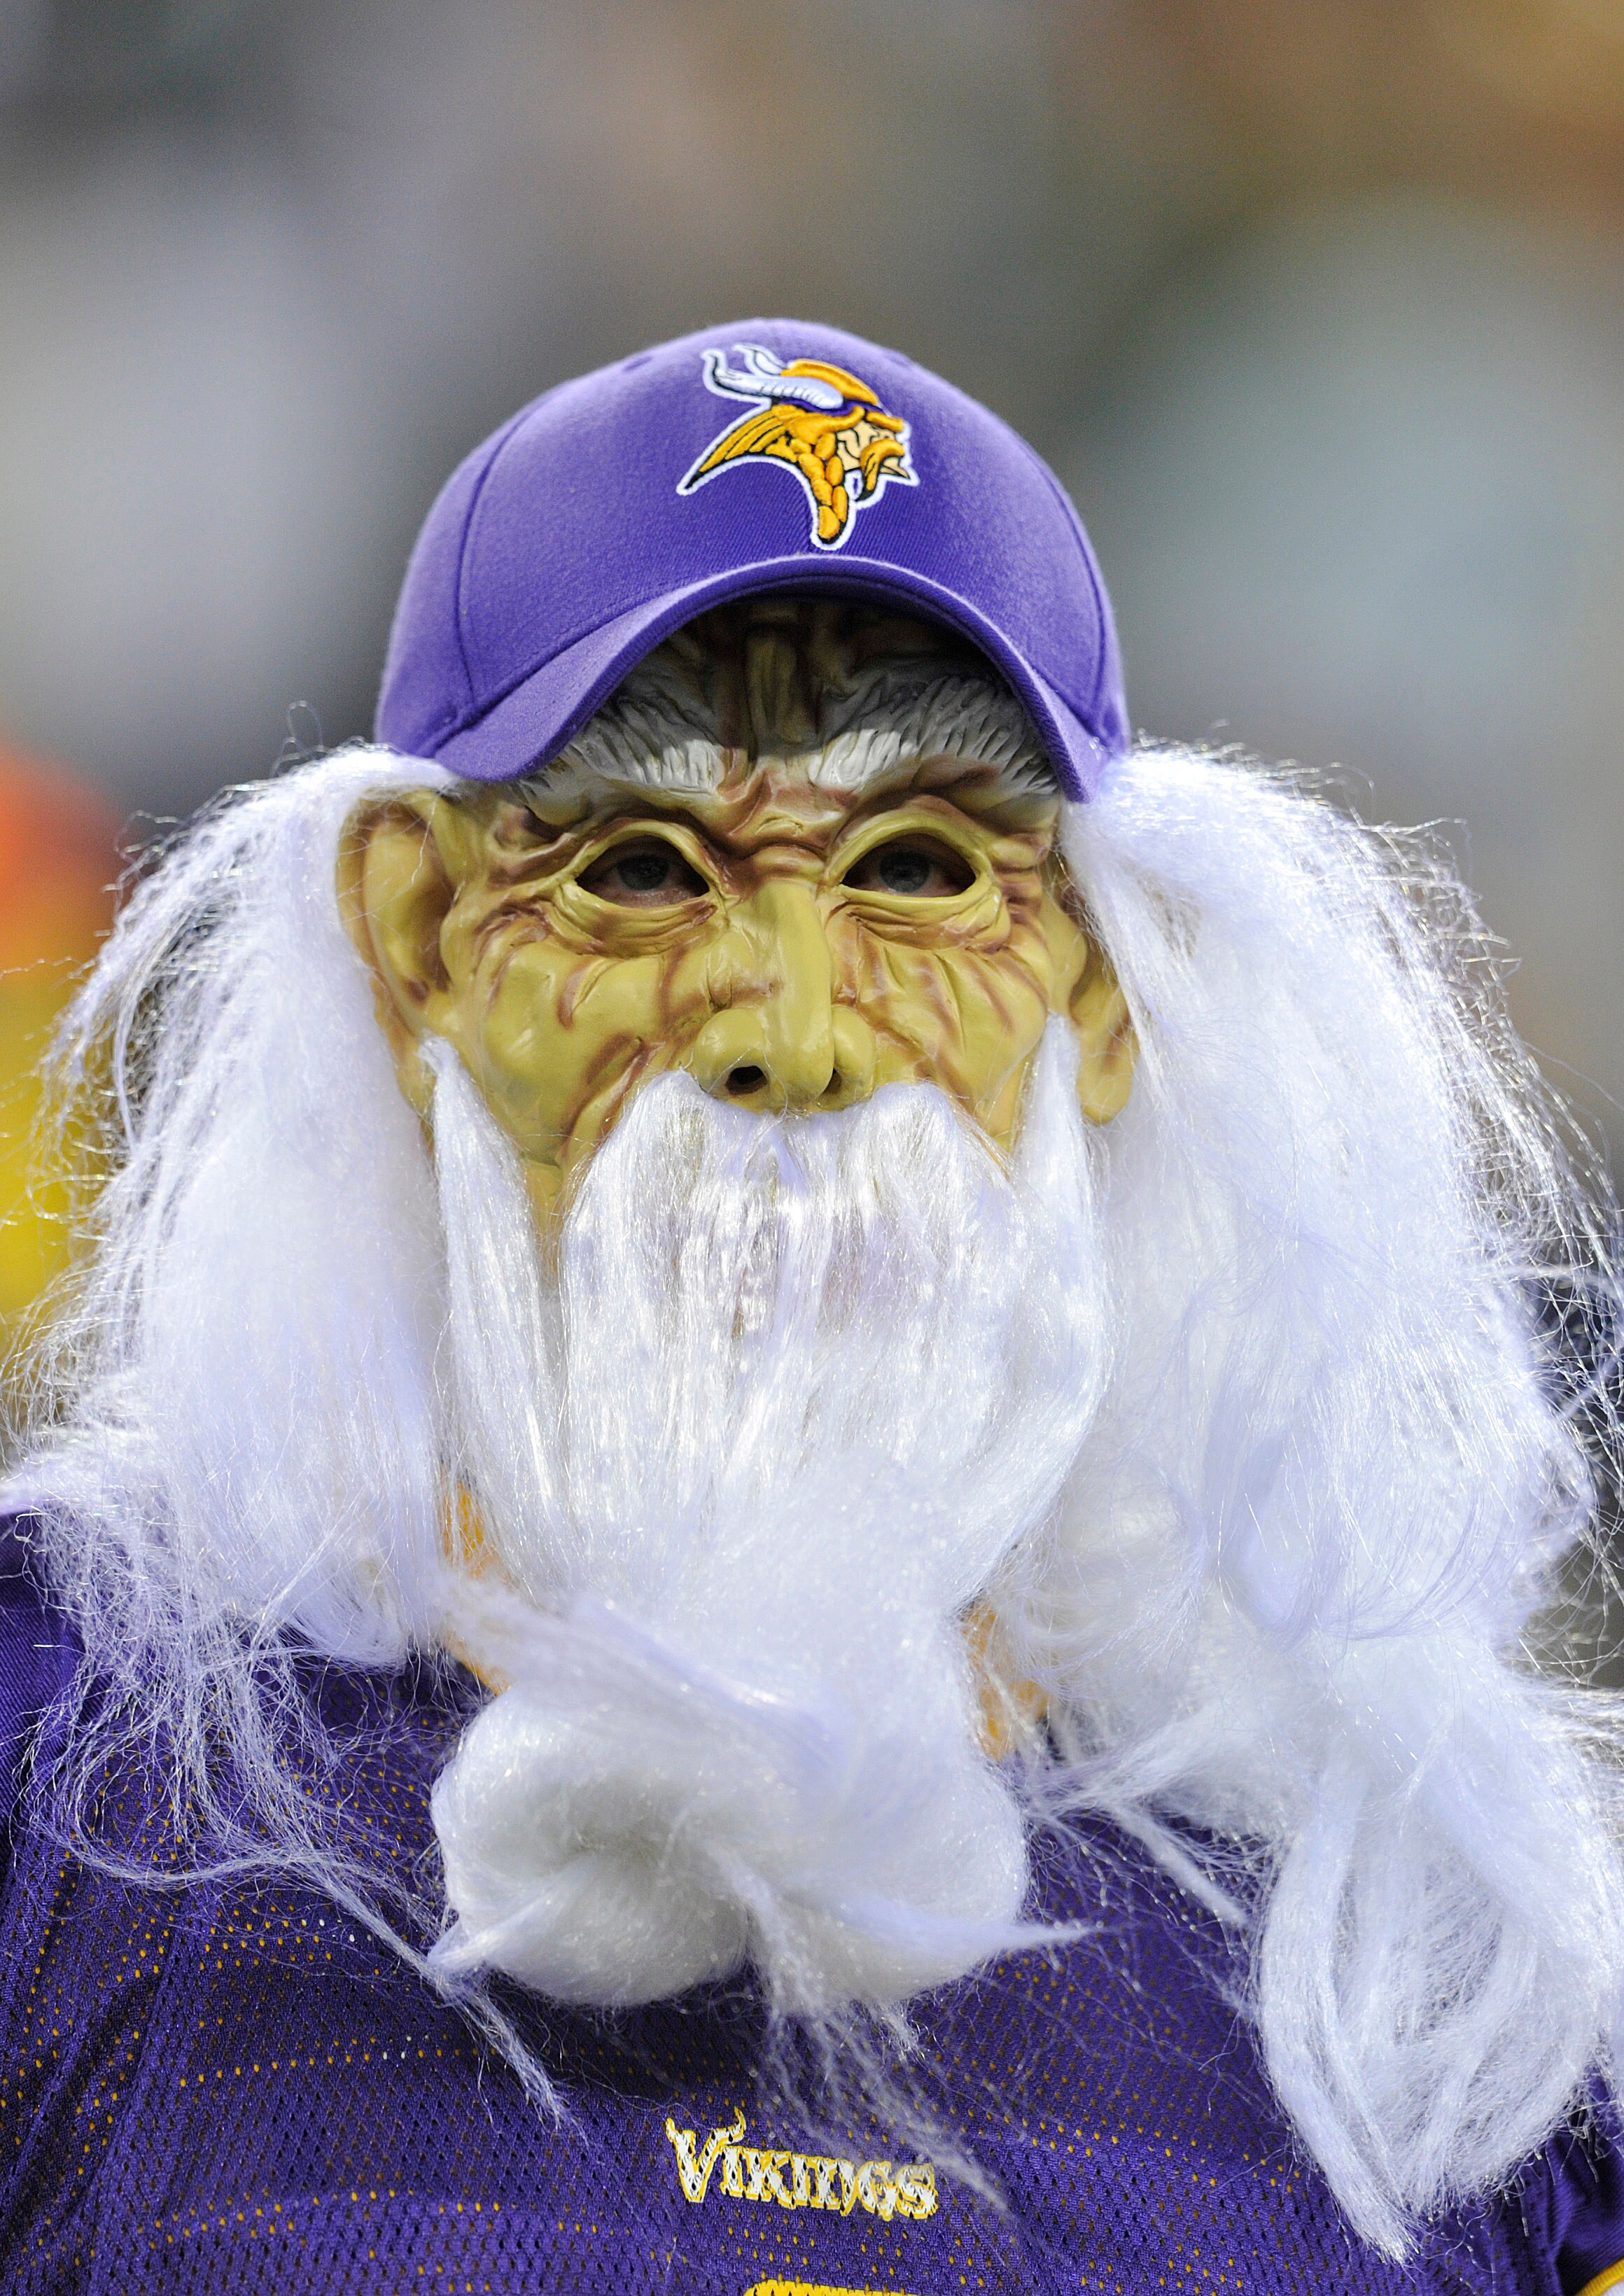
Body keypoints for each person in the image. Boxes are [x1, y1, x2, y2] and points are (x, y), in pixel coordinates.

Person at [2, 320, 1622, 2296]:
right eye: (641, 868)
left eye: (921, 869)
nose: (785, 1022)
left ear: (1102, 990)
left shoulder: (1438, 1991)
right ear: (417, 941)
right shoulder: (59, 1787)